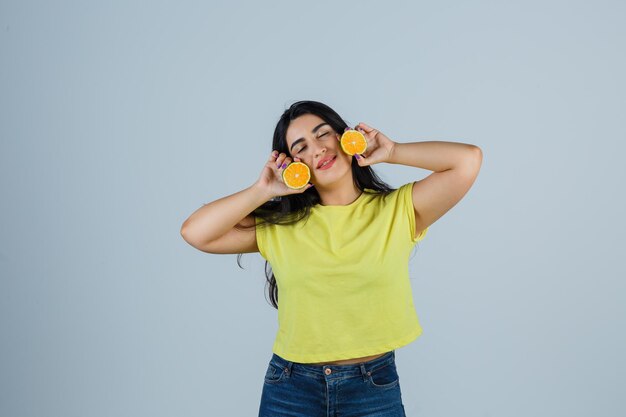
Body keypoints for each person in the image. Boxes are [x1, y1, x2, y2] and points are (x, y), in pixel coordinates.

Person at [180, 100, 483, 416]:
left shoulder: (397, 210)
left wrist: (393, 151)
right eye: (302, 147)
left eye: (323, 134)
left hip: (372, 388)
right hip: (290, 388)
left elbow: (467, 160)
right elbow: (195, 232)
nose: (318, 149)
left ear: (344, 136)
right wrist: (263, 190)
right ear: (295, 165)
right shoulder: (281, 225)